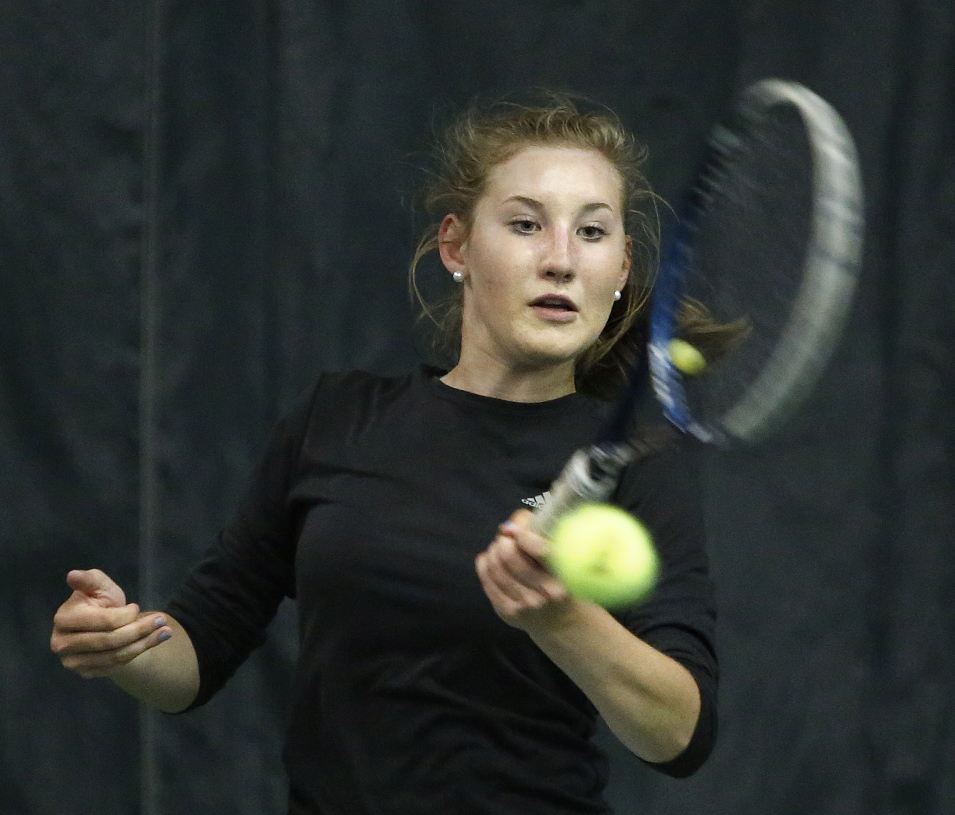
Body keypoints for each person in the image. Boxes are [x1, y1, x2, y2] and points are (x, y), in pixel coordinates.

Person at [51, 94, 719, 814]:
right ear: (456, 246)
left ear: (620, 269)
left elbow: (680, 733)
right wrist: (128, 641)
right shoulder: (336, 421)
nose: (559, 259)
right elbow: (196, 648)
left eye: (591, 232)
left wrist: (560, 617)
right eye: (526, 224)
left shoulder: (635, 463)